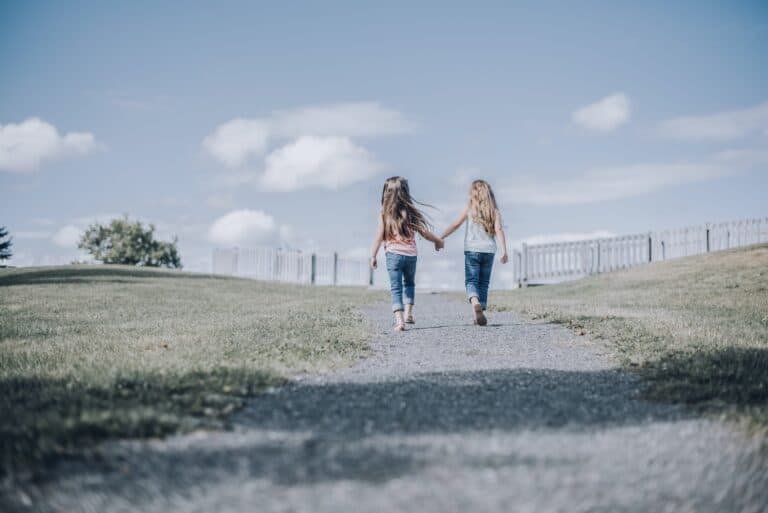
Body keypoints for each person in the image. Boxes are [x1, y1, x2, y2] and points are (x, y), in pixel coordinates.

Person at [370, 176, 444, 331]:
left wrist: (373, 255)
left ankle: (399, 321)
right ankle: (409, 314)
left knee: (396, 288)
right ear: (406, 193)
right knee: (409, 283)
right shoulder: (410, 213)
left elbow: (379, 236)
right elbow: (424, 233)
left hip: (393, 256)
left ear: (386, 194)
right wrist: (437, 241)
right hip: (410, 256)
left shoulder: (384, 214)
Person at [441, 179, 508, 326]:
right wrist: (504, 251)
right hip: (489, 251)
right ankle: (480, 311)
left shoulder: (470, 209)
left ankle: (475, 302)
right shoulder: (494, 211)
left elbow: (455, 224)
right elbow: (499, 230)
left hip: (472, 250)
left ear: (473, 195)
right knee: (483, 282)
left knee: (471, 281)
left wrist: (441, 237)